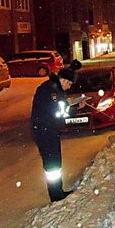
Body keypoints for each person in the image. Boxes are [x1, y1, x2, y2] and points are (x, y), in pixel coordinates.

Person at [30, 67, 79, 202]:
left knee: (55, 162)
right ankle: (56, 195)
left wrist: (72, 106)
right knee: (52, 164)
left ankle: (58, 191)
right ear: (62, 80)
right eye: (68, 84)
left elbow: (60, 108)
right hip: (44, 131)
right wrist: (74, 109)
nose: (69, 87)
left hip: (48, 129)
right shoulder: (51, 91)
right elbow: (58, 113)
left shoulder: (54, 89)